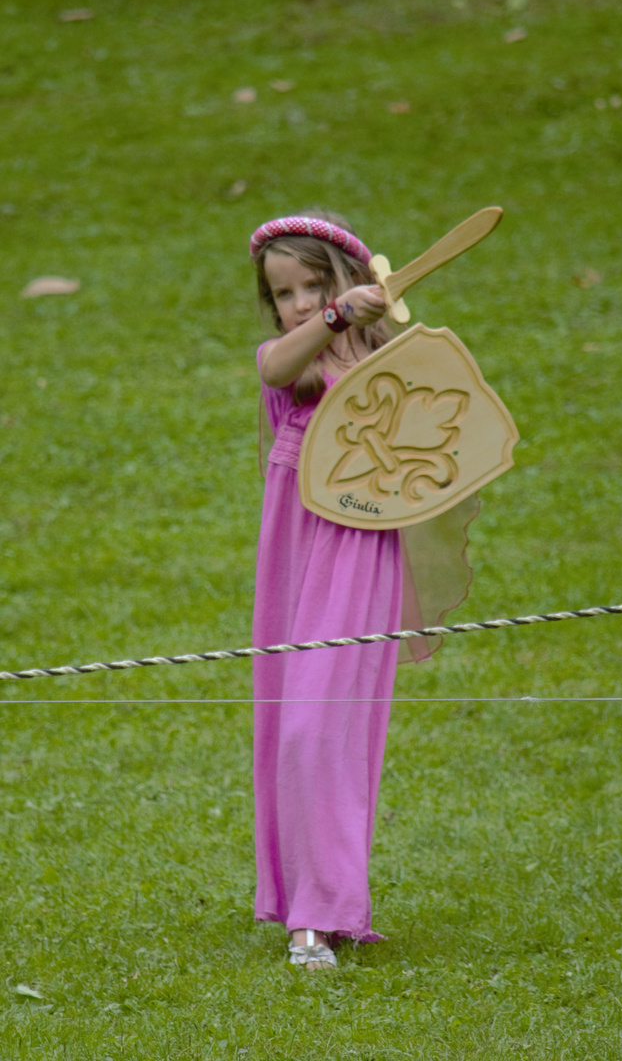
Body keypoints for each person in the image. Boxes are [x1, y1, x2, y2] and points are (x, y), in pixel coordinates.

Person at [249, 212, 401, 971]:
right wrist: (340, 315)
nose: (303, 303)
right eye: (285, 293)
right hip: (295, 548)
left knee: (327, 727)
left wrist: (377, 318)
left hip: (363, 545)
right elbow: (278, 365)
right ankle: (304, 907)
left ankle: (326, 908)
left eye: (317, 286)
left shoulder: (387, 363)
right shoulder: (288, 360)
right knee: (290, 723)